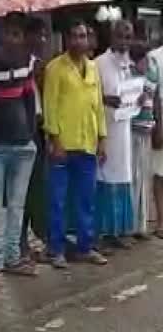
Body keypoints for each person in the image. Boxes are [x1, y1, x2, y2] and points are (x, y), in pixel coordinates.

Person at [0, 12, 38, 285]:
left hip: (23, 146)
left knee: (16, 206)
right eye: (9, 33)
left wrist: (30, 136)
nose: (13, 39)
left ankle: (12, 258)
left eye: (18, 34)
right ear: (2, 34)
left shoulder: (28, 62)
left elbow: (28, 99)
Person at [43, 19, 108, 269]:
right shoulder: (55, 68)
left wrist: (102, 139)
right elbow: (49, 107)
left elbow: (98, 107)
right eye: (75, 36)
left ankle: (85, 247)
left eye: (83, 36)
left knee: (86, 199)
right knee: (58, 200)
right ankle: (56, 250)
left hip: (88, 143)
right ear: (66, 39)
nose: (79, 41)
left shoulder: (92, 68)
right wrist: (55, 139)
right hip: (63, 145)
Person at [94, 20, 136, 251]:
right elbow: (90, 96)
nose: (124, 42)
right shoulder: (98, 63)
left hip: (124, 129)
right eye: (120, 37)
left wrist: (138, 99)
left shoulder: (129, 64)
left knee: (122, 177)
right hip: (106, 131)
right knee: (105, 177)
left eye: (128, 37)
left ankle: (118, 230)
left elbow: (133, 93)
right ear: (111, 37)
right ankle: (103, 233)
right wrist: (105, 100)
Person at [21, 16, 50, 262]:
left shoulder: (42, 66)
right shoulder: (21, 64)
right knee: (22, 191)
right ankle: (19, 244)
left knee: (37, 189)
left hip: (40, 130)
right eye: (37, 35)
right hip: (23, 131)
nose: (42, 40)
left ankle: (33, 238)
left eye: (45, 35)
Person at [129, 38, 158, 239]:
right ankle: (132, 225)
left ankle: (141, 224)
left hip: (146, 130)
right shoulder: (131, 78)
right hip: (133, 130)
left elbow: (155, 99)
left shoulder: (150, 75)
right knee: (133, 178)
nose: (146, 63)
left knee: (143, 179)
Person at [148, 35, 163, 238]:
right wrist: (159, 124)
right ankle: (161, 221)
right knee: (160, 173)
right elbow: (153, 92)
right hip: (161, 117)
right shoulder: (155, 57)